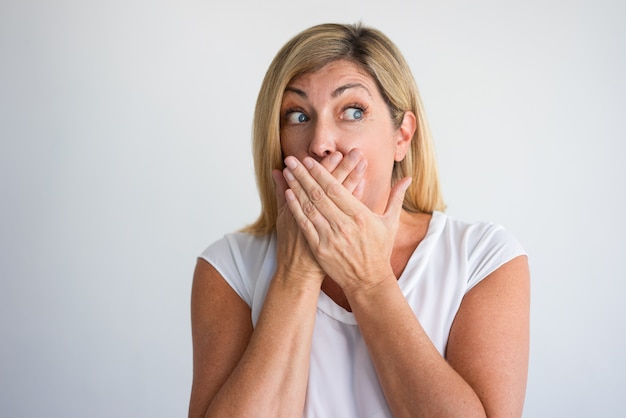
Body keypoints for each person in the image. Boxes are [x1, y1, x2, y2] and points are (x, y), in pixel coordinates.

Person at [189, 22, 529, 418]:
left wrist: (368, 279)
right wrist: (295, 274)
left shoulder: (482, 259)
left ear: (402, 136)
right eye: (298, 115)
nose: (320, 143)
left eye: (353, 111)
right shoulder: (228, 269)